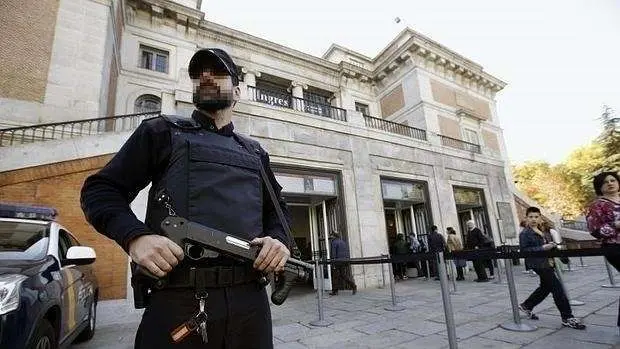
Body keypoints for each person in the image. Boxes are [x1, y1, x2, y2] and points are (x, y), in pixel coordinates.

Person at [80, 48, 292, 349]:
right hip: (178, 301)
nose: (205, 76)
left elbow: (278, 211)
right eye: (198, 73)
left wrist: (277, 239)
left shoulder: (255, 152)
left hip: (251, 306)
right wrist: (135, 238)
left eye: (217, 72)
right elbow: (100, 191)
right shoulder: (161, 132)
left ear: (238, 90)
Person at [518, 206, 586, 329]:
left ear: (540, 218)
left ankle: (526, 306)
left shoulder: (543, 231)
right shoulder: (525, 233)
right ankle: (567, 317)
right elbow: (524, 250)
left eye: (536, 217)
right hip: (538, 264)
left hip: (549, 262)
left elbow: (552, 246)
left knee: (545, 287)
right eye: (531, 217)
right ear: (526, 218)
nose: (533, 219)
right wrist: (542, 248)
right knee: (557, 289)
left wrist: (562, 257)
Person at [586, 171, 620, 329]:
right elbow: (595, 230)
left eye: (613, 180)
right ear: (600, 187)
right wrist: (615, 225)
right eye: (606, 182)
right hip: (614, 247)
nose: (610, 183)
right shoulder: (598, 205)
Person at [328, 231, 357, 295]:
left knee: (335, 276)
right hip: (344, 261)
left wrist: (333, 263)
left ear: (334, 236)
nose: (330, 237)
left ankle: (335, 291)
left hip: (337, 261)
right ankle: (353, 286)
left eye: (331, 235)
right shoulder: (342, 242)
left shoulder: (334, 242)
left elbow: (333, 254)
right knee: (343, 275)